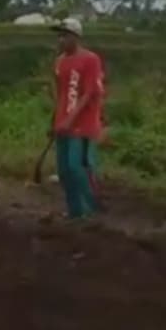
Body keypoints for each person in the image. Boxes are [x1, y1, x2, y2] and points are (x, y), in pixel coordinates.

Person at [50, 17, 104, 219]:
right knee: (64, 171)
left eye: (64, 36)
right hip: (63, 124)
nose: (60, 40)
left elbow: (89, 93)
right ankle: (75, 213)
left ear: (75, 37)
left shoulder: (91, 60)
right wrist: (56, 120)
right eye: (59, 36)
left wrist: (70, 120)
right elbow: (61, 94)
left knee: (78, 167)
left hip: (83, 125)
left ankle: (90, 212)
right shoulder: (60, 61)